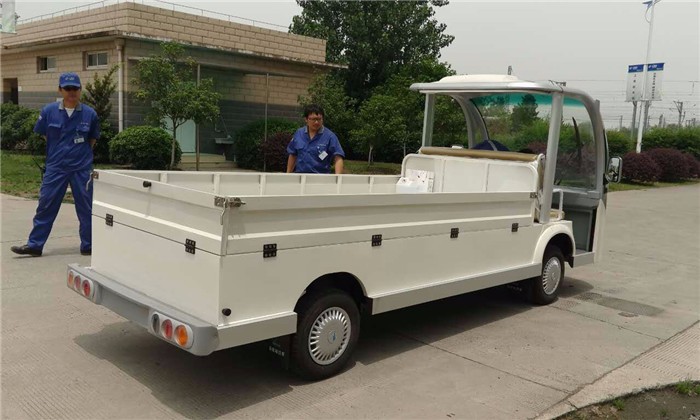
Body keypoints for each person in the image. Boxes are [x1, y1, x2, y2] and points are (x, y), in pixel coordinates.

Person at [11, 72, 100, 257]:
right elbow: (45, 135)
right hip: (56, 167)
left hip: (81, 169)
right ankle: (35, 245)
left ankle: (89, 245)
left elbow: (92, 140)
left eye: (75, 88)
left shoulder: (89, 114)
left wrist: (79, 156)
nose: (71, 92)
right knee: (46, 205)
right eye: (67, 88)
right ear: (60, 90)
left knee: (86, 208)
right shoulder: (48, 111)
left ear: (80, 90)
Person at [287, 104, 345, 174]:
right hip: (301, 176)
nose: (316, 122)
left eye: (319, 119)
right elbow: (293, 155)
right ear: (306, 119)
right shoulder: (299, 133)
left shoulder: (330, 136)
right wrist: (288, 174)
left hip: (321, 177)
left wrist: (338, 178)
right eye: (313, 119)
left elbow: (338, 157)